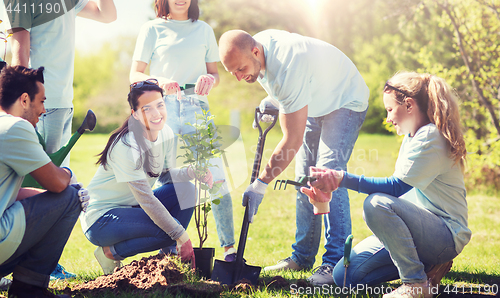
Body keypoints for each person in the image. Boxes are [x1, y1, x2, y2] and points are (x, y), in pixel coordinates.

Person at [218, 29, 369, 284]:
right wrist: (273, 99)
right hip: (315, 100)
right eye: (232, 72)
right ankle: (301, 257)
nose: (239, 77)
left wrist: (261, 184)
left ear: (255, 52)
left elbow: (291, 141)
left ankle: (335, 265)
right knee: (303, 179)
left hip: (345, 99)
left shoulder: (288, 66)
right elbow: (283, 83)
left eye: (241, 69)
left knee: (327, 175)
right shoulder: (258, 47)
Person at [302, 71, 470, 298]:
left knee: (376, 203)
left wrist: (340, 179)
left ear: (409, 105)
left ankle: (416, 283)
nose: (388, 118)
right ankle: (428, 270)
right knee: (344, 276)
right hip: (415, 231)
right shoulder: (412, 136)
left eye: (390, 109)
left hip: (443, 234)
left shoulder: (431, 136)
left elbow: (395, 188)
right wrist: (329, 193)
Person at [6, 0, 117, 280]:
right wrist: (22, 106)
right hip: (39, 102)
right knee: (47, 183)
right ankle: (35, 264)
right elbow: (20, 50)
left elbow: (107, 15)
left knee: (58, 185)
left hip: (61, 101)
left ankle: (36, 262)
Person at [129, 0, 238, 261]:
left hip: (196, 107)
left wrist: (210, 79)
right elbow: (134, 74)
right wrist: (159, 82)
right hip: (161, 107)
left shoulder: (203, 30)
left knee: (216, 174)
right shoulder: (151, 29)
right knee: (168, 177)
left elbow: (215, 73)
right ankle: (168, 248)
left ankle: (230, 251)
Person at [80, 79, 202, 275]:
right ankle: (111, 252)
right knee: (168, 230)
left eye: (160, 105)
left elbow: (165, 175)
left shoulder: (166, 133)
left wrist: (191, 172)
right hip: (101, 218)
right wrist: (181, 235)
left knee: (186, 190)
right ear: (135, 114)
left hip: (132, 207)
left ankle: (169, 255)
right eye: (147, 109)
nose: (156, 113)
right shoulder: (127, 146)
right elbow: (146, 199)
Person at [0, 65, 86, 298]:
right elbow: (58, 184)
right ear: (25, 100)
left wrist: (44, 202)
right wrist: (69, 173)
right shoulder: (15, 127)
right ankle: (29, 287)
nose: (44, 110)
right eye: (42, 101)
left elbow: (9, 194)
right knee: (70, 196)